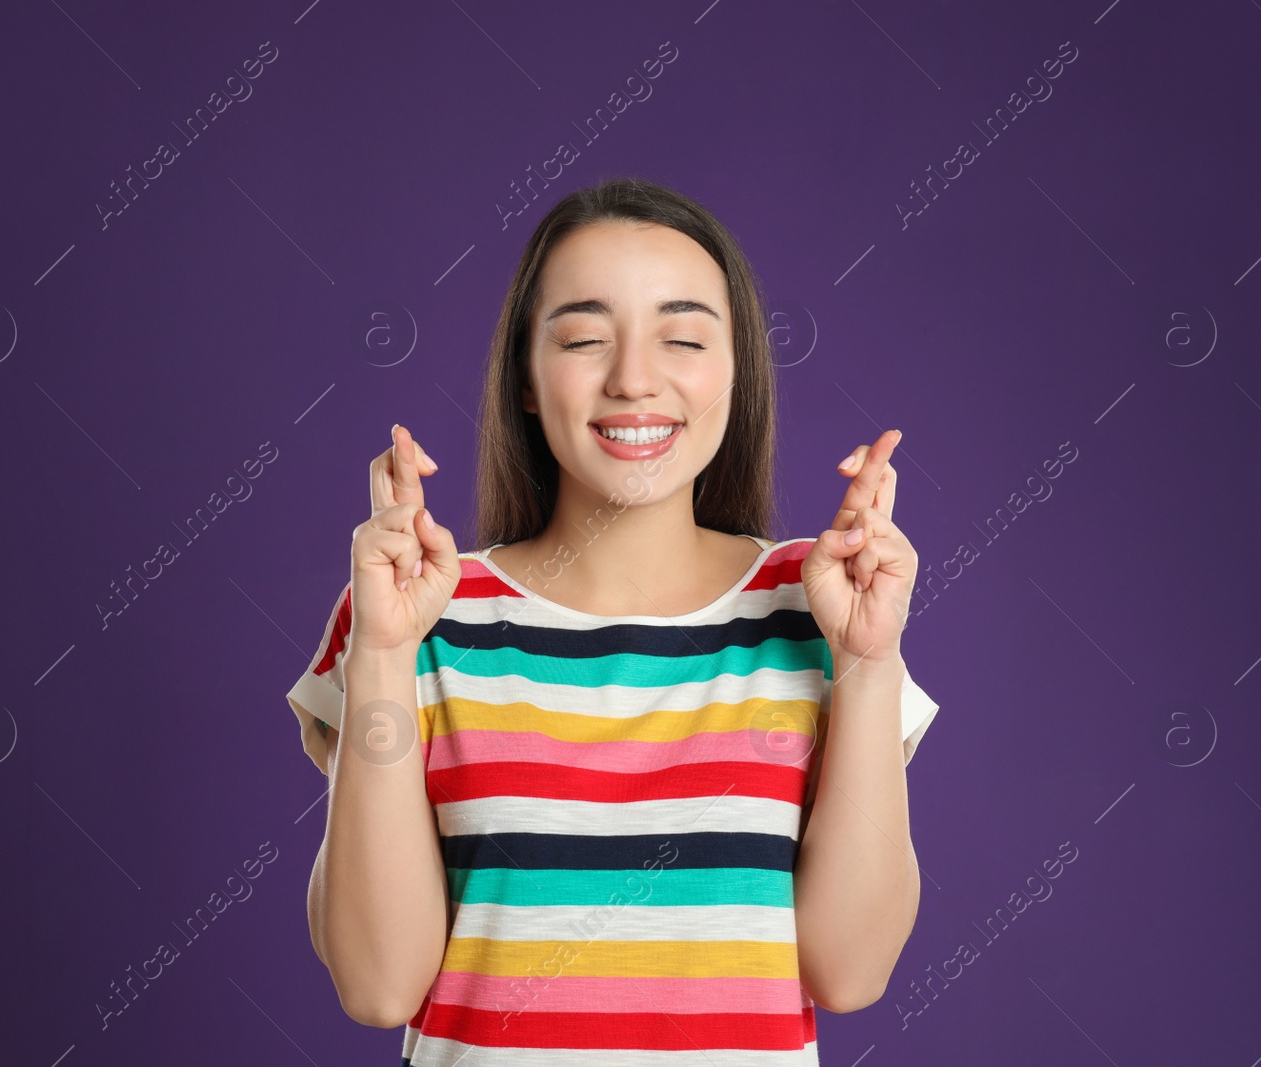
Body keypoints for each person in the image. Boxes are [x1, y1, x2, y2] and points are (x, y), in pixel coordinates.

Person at [286, 176, 941, 1064]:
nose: (635, 379)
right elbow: (377, 984)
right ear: (524, 375)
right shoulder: (414, 609)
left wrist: (866, 661)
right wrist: (383, 652)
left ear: (736, 372)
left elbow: (852, 971)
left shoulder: (822, 604)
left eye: (682, 337)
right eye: (587, 338)